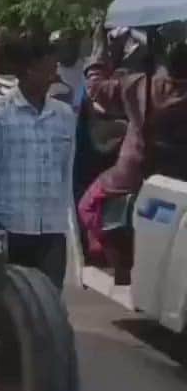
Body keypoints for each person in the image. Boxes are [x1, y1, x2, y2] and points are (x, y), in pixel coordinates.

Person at [76, 20, 187, 281]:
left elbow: (96, 89)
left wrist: (99, 53)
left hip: (136, 172)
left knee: (87, 206)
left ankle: (119, 260)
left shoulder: (139, 85)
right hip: (179, 174)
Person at [0, 32, 75, 289]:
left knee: (49, 309)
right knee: (15, 309)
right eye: (48, 70)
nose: (54, 77)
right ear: (29, 71)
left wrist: (66, 223)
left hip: (52, 231)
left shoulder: (63, 115)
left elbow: (67, 173)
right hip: (13, 231)